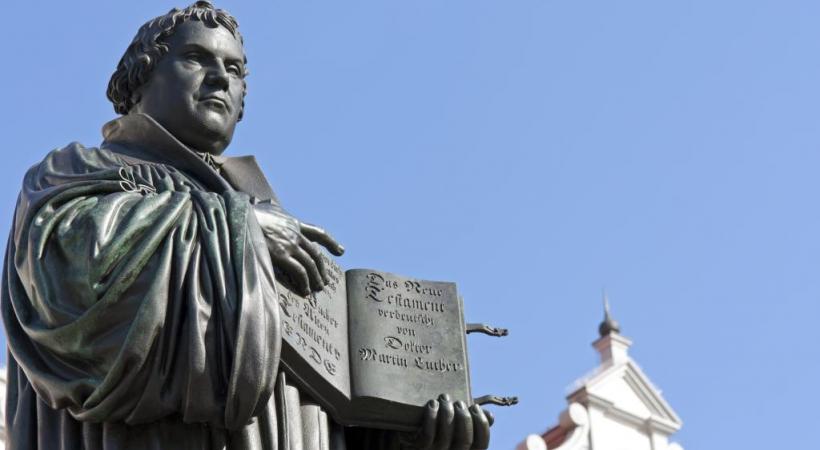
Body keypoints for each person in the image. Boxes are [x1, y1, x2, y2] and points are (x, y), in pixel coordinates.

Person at [1, 2, 492, 449]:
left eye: (233, 69)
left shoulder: (269, 218)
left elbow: (311, 417)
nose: (220, 78)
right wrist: (241, 228)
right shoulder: (77, 171)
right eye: (196, 58)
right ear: (140, 78)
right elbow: (69, 283)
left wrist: (406, 437)